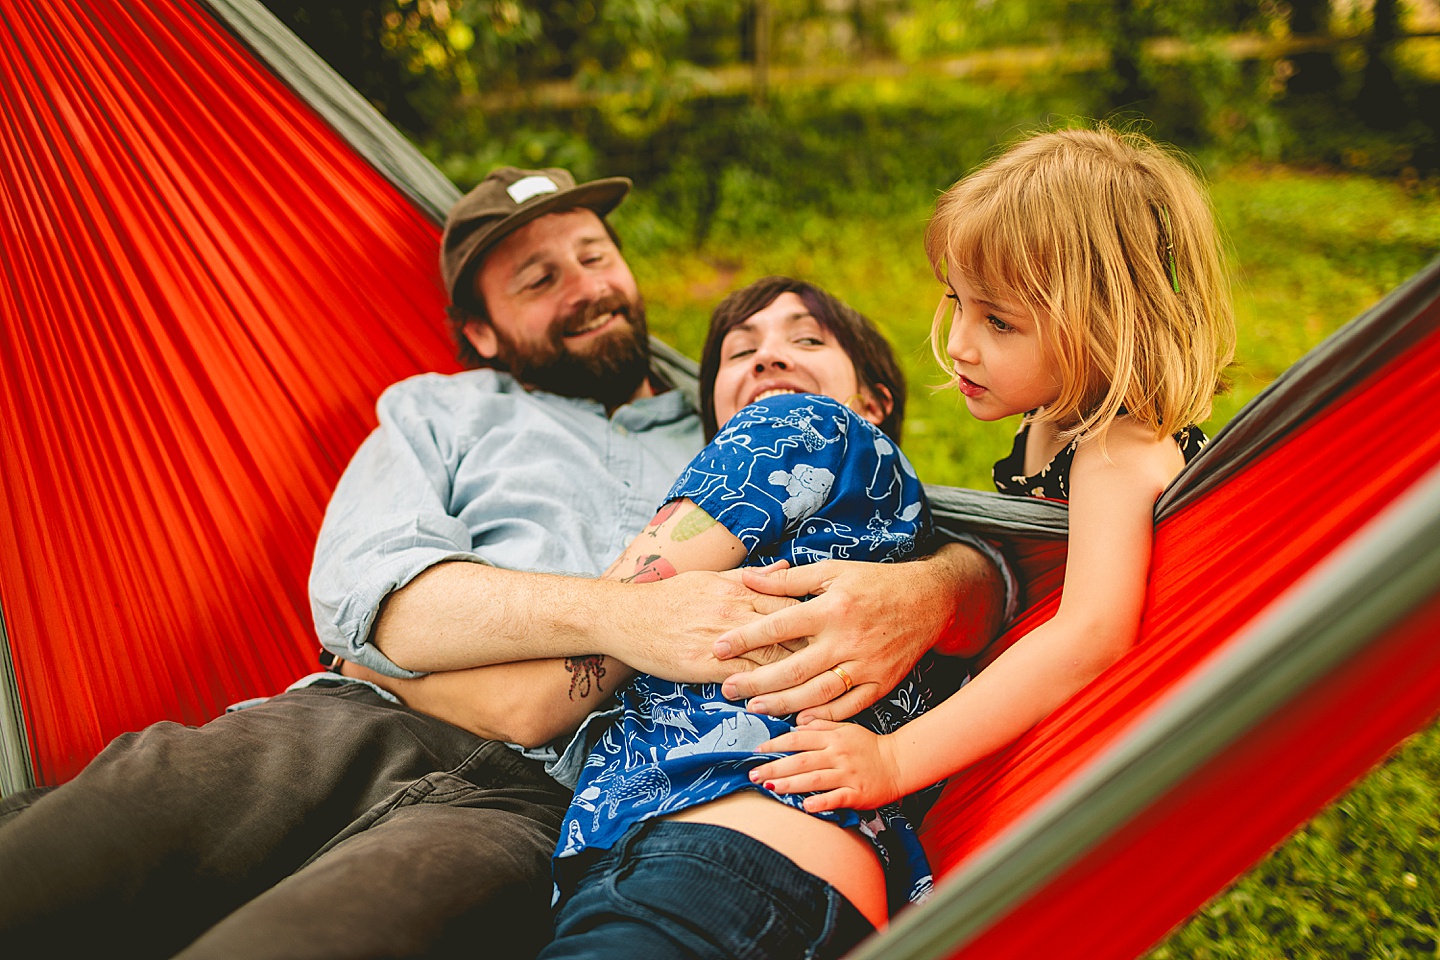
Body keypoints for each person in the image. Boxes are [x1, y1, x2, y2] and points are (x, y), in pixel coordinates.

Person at [0, 167, 1007, 960]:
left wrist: (939, 585)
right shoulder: (437, 412)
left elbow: (945, 540)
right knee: (61, 861)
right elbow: (381, 602)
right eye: (540, 277)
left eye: (594, 256)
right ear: (482, 333)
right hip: (346, 724)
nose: (586, 287)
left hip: (546, 810)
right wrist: (619, 621)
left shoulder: (736, 419)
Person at [744, 126, 1235, 862]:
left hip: (1087, 748)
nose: (962, 343)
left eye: (998, 320)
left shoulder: (1117, 447)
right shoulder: (1061, 412)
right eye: (959, 303)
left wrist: (896, 762)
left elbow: (1089, 639)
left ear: (1105, 327)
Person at [538, 277, 957, 960]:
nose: (768, 357)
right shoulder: (893, 533)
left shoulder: (795, 426)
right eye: (741, 351)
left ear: (874, 402)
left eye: (807, 338)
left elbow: (562, 668)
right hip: (799, 880)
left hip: (711, 862)